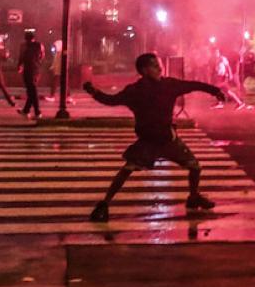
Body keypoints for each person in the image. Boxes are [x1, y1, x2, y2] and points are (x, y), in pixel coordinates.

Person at [81, 53, 226, 222]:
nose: (160, 68)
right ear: (144, 70)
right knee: (127, 170)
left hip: (168, 140)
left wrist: (215, 91)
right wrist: (94, 92)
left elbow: (193, 85)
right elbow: (111, 100)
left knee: (195, 167)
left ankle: (193, 197)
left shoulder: (169, 85)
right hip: (147, 142)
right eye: (155, 65)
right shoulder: (135, 91)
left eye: (159, 64)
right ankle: (104, 204)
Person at [17, 31, 44, 119]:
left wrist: (19, 66)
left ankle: (37, 112)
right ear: (34, 38)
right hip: (36, 70)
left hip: (28, 70)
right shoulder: (39, 45)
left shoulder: (24, 46)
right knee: (31, 91)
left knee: (32, 91)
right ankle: (26, 110)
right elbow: (42, 56)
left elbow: (21, 57)